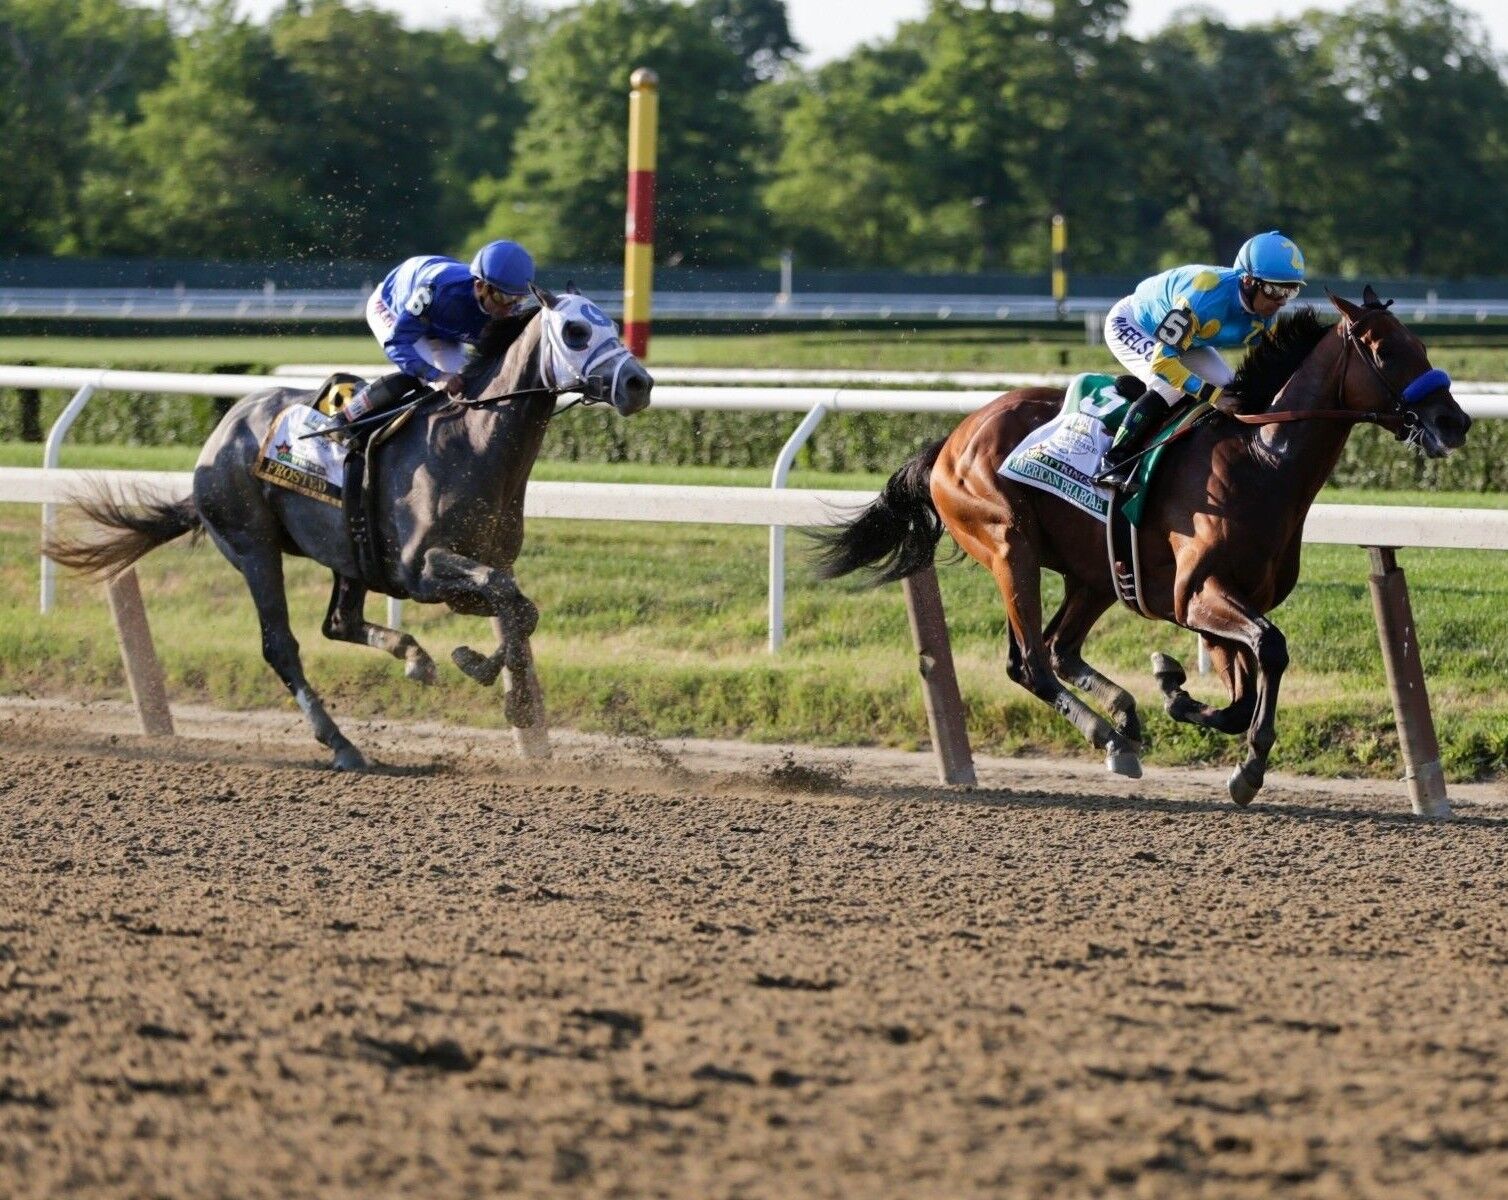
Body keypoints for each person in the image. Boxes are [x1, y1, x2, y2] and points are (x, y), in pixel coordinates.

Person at [1095, 230, 1307, 489]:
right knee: (1170, 386)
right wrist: (1212, 395)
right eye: (1274, 290)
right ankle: (1114, 461)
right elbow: (1163, 363)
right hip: (1134, 323)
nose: (1281, 302)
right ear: (1249, 281)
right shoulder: (1202, 297)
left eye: (1290, 291)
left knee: (1234, 392)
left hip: (1190, 341)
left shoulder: (1266, 313)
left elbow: (1272, 367)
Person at [329, 239, 536, 434]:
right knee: (420, 376)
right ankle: (344, 420)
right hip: (392, 308)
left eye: (519, 300)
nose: (511, 309)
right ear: (480, 286)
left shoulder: (505, 308)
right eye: (504, 298)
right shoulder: (436, 291)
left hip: (440, 326)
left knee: (462, 385)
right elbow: (397, 343)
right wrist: (436, 375)